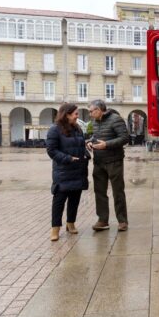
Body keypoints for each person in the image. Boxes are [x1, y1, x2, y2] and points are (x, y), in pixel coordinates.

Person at [46, 103, 90, 241]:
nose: (78, 116)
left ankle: (70, 223)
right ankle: (55, 229)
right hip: (63, 171)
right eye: (76, 114)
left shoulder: (77, 129)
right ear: (67, 114)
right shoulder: (54, 130)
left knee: (74, 200)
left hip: (78, 169)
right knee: (59, 201)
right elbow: (51, 150)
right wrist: (68, 158)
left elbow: (80, 144)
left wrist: (86, 151)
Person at [87, 99, 130, 231]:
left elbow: (125, 138)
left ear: (99, 110)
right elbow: (96, 136)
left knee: (118, 192)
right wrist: (89, 141)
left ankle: (122, 221)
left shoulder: (116, 119)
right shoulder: (94, 121)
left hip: (114, 161)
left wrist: (106, 144)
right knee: (99, 192)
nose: (90, 114)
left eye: (91, 111)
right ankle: (103, 220)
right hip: (98, 162)